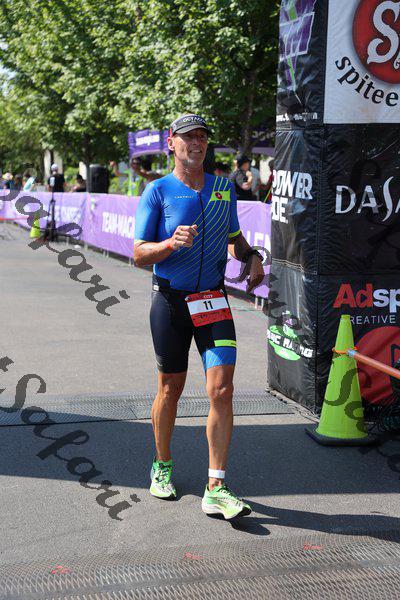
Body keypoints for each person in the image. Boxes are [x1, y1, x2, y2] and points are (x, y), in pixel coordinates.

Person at [134, 113, 264, 520]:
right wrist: (170, 243)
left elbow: (233, 238)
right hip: (170, 302)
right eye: (188, 136)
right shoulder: (157, 191)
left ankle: (216, 487)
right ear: (171, 143)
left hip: (213, 300)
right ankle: (162, 464)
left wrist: (251, 256)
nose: (197, 143)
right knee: (170, 389)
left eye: (203, 137)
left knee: (222, 389)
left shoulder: (224, 189)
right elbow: (139, 253)